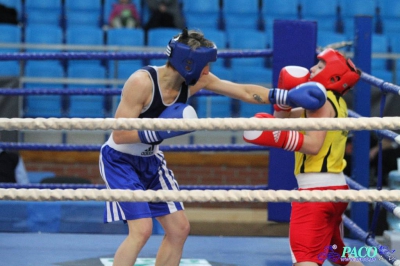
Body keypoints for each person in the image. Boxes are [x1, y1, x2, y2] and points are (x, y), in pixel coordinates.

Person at [98, 28, 327, 266]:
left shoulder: (197, 81)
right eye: (204, 63)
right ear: (188, 63)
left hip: (151, 160)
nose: (208, 69)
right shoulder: (141, 82)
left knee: (179, 229)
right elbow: (120, 134)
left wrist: (285, 97)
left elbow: (244, 91)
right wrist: (162, 130)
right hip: (120, 160)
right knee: (142, 230)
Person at [243, 48, 363, 265]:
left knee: (305, 259)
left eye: (319, 66)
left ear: (333, 76)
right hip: (337, 191)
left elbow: (314, 145)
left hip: (315, 194)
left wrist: (279, 138)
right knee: (338, 257)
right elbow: (283, 120)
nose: (311, 68)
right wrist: (284, 100)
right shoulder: (337, 102)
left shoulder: (322, 101)